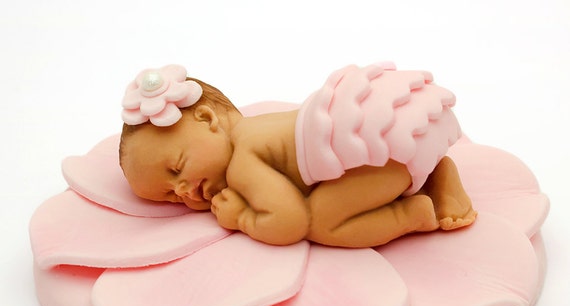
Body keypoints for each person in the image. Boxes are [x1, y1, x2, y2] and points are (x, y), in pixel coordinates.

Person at [119, 64, 476, 248]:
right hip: (408, 131)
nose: (182, 190)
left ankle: (411, 213)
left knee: (321, 220)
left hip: (386, 157)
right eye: (170, 195)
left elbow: (290, 222)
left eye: (176, 168)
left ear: (207, 119)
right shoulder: (263, 127)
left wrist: (241, 217)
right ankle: (439, 172)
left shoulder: (244, 160)